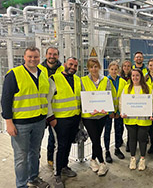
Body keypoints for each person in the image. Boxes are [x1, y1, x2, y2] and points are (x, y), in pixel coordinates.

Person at [1, 46, 50, 188]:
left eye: (35, 57)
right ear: (24, 57)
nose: (33, 59)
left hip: (39, 121)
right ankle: (22, 185)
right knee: (21, 157)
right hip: (20, 124)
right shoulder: (14, 74)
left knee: (35, 153)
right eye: (30, 56)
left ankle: (33, 178)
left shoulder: (42, 73)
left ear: (39, 58)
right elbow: (6, 99)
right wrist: (9, 122)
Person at [47, 57, 81, 188]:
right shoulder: (54, 79)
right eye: (71, 64)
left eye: (75, 66)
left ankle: (64, 166)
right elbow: (47, 101)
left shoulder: (77, 80)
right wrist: (51, 119)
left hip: (74, 118)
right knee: (60, 146)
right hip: (60, 120)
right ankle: (57, 174)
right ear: (65, 64)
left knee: (67, 145)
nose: (73, 67)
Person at [120, 68, 153, 171]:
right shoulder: (127, 88)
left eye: (137, 75)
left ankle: (142, 159)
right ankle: (132, 158)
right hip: (130, 120)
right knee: (132, 139)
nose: (135, 78)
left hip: (144, 120)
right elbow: (121, 102)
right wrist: (122, 112)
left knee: (142, 139)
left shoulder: (148, 88)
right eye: (133, 76)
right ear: (131, 77)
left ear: (141, 77)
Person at [81, 58, 111, 176]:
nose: (94, 69)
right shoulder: (83, 80)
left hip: (102, 115)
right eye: (91, 67)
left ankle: (93, 160)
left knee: (96, 138)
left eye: (96, 66)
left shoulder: (105, 80)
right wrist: (88, 108)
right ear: (88, 68)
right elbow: (82, 97)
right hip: (89, 116)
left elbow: (108, 95)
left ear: (99, 67)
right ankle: (103, 163)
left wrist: (106, 108)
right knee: (95, 139)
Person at [38, 47, 65, 167]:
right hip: (40, 109)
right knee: (37, 139)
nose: (52, 56)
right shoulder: (38, 69)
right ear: (46, 55)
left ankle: (51, 158)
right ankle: (34, 167)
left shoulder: (62, 69)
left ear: (58, 56)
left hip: (56, 109)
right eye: (50, 54)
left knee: (53, 137)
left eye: (54, 54)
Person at [104, 61, 127, 163]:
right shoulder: (104, 81)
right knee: (107, 131)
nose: (114, 71)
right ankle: (107, 151)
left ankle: (117, 148)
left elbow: (125, 98)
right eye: (112, 69)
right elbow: (104, 98)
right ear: (108, 70)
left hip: (119, 112)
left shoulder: (123, 82)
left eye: (116, 69)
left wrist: (118, 111)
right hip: (108, 112)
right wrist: (110, 112)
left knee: (119, 130)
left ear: (118, 70)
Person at [120, 59, 132, 152]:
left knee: (129, 125)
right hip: (121, 104)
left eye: (128, 66)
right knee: (120, 126)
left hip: (131, 105)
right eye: (125, 66)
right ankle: (119, 141)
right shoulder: (119, 78)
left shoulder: (134, 77)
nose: (126, 68)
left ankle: (129, 142)